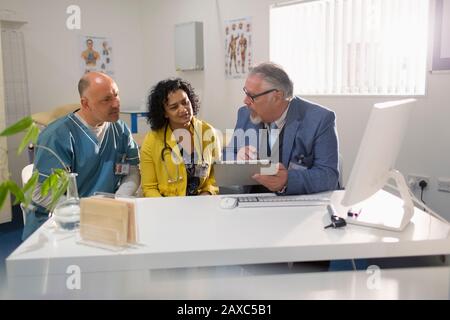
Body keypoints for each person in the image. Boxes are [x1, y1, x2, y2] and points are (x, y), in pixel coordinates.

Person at [23, 72, 140, 240]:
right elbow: (42, 193)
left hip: (106, 219)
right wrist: (83, 213)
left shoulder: (120, 129)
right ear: (85, 104)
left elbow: (132, 170)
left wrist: (120, 199)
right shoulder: (57, 135)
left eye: (116, 95)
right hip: (58, 224)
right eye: (106, 100)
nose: (116, 104)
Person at [225, 62, 339, 195]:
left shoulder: (320, 120)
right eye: (245, 92)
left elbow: (328, 176)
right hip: (252, 202)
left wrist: (287, 181)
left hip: (296, 205)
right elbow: (227, 155)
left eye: (252, 96)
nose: (245, 101)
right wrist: (237, 158)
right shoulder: (245, 114)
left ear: (277, 96)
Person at [140, 78, 220, 197]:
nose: (183, 109)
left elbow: (215, 177)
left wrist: (207, 193)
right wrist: (168, 209)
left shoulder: (208, 132)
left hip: (203, 203)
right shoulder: (152, 140)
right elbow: (149, 187)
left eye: (185, 102)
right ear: (164, 113)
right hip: (166, 206)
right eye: (174, 107)